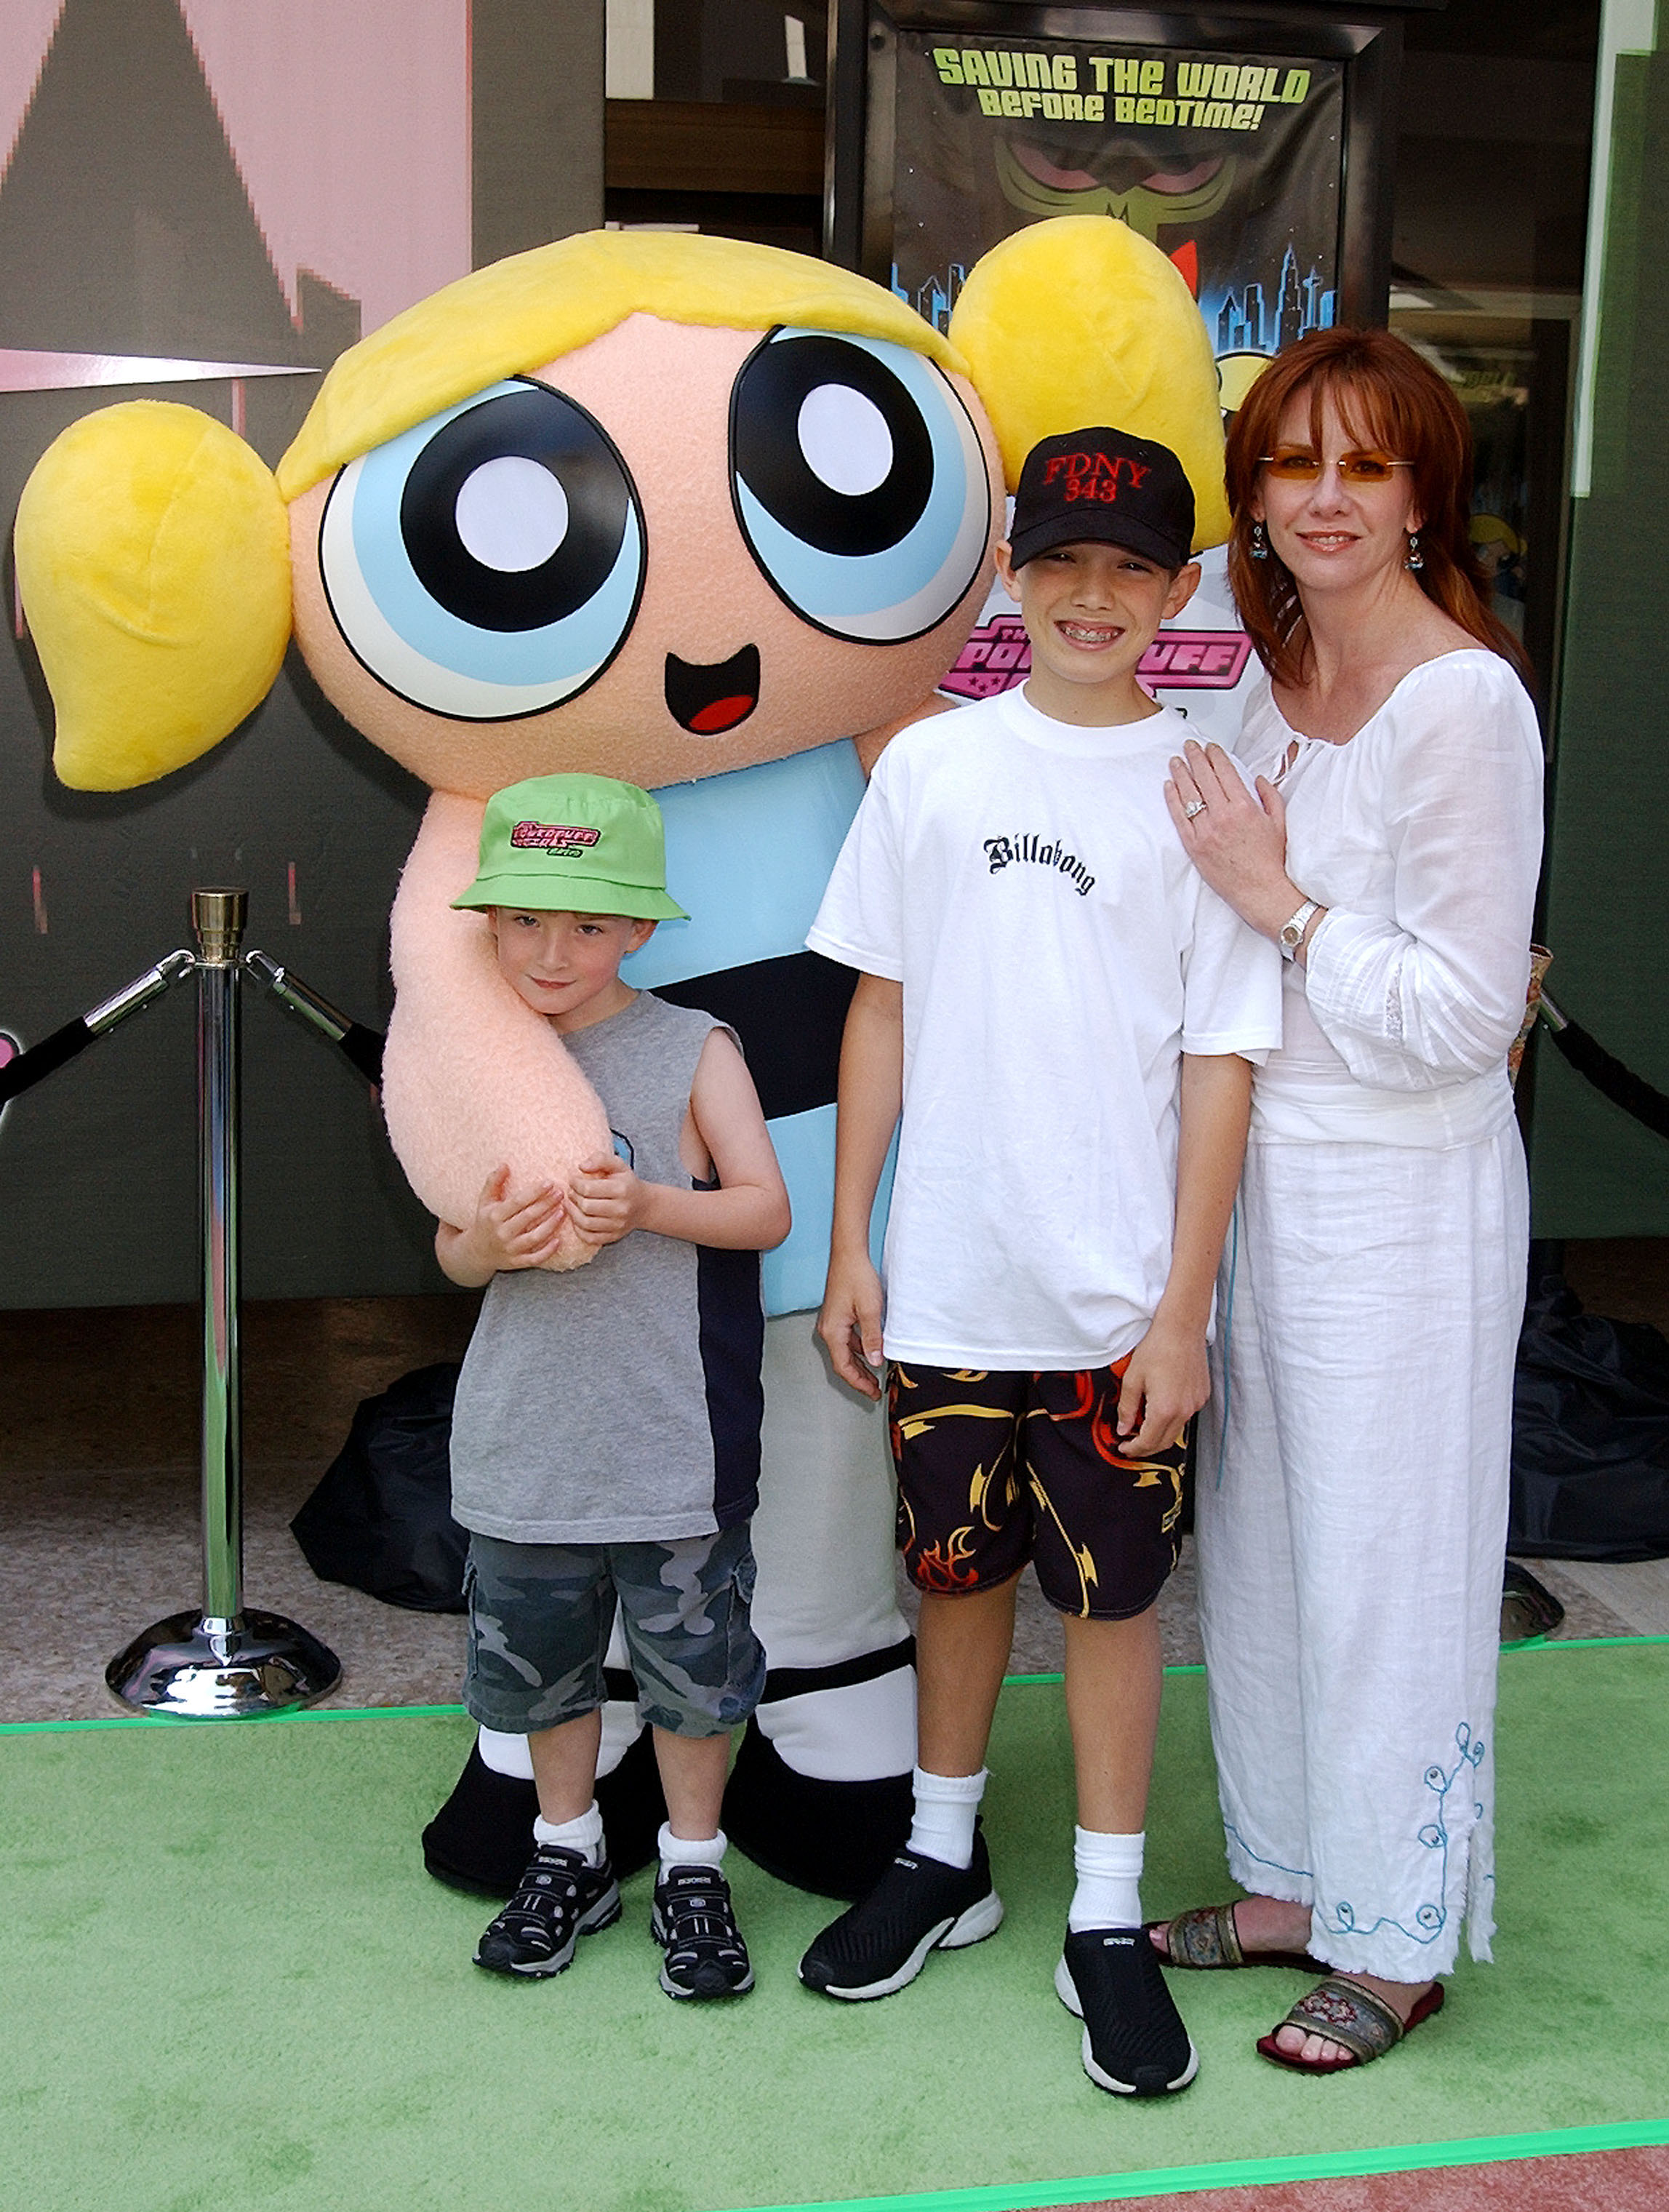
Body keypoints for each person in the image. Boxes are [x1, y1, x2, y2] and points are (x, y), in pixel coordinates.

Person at [798, 427, 1284, 2096]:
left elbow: (1222, 1057)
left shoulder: (1199, 790)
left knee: (1112, 1606)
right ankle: (941, 1860)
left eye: (1130, 567)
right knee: (950, 1579)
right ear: (1011, 574)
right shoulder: (932, 768)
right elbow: (879, 999)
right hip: (941, 1284)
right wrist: (855, 1238)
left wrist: (1182, 1310)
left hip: (1113, 1308)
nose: (1092, 595)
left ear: (1172, 590)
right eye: (1061, 561)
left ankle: (1102, 1912)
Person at [1156, 327, 1543, 2073]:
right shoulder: (1259, 676)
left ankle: (1392, 1944)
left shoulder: (1465, 703)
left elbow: (1467, 1022)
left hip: (1400, 1200)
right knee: (1258, 1550)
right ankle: (1293, 1883)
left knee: (1386, 1563)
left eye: (1361, 466)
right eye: (1290, 463)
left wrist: (1281, 902)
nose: (1319, 497)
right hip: (1255, 1185)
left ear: (1417, 500)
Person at [434, 771, 791, 1998]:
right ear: (486, 920)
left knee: (694, 1669)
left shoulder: (693, 1046)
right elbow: (449, 1244)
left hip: (671, 1440)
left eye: (588, 922)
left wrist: (646, 1204)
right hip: (522, 1444)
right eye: (527, 917)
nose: (552, 948)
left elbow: (765, 1208)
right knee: (539, 1664)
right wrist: (488, 1243)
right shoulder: (476, 1058)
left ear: (639, 928)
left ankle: (695, 1863)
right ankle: (568, 1849)